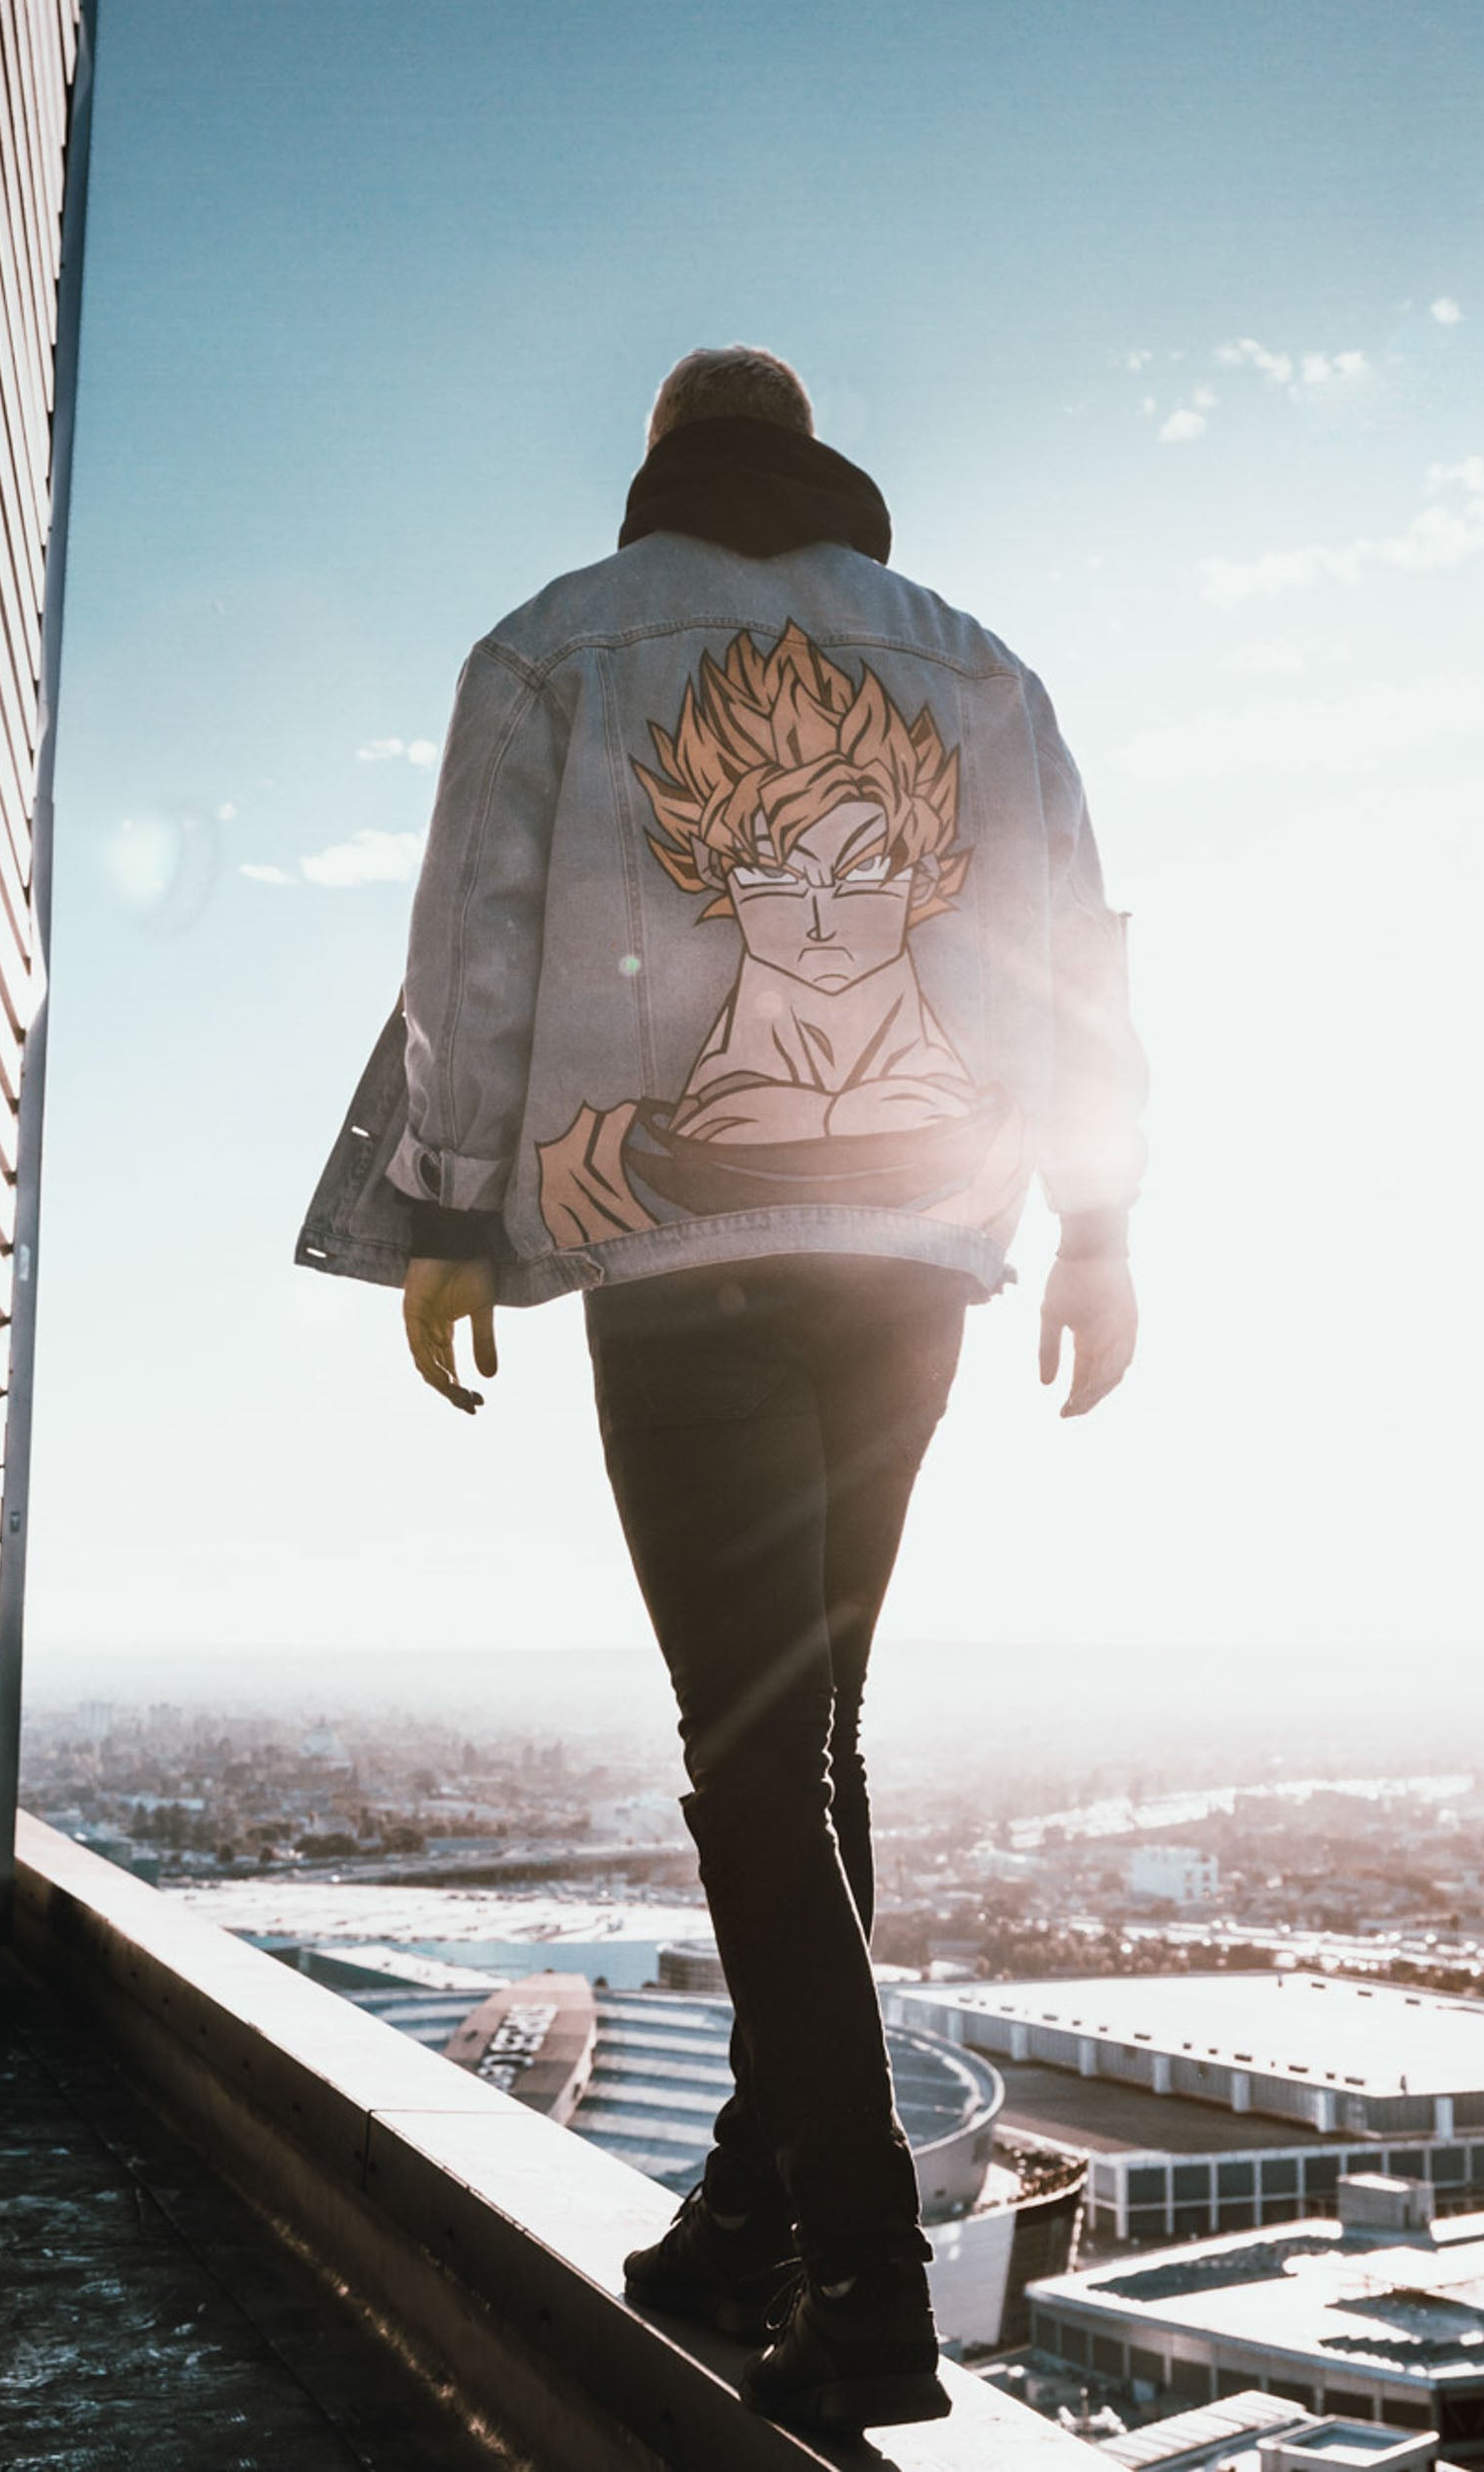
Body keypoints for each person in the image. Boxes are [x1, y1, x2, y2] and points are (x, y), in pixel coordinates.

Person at [297, 345, 1147, 2431]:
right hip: (916, 1262)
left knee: (747, 1745)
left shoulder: (554, 647)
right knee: (817, 1721)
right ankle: (748, 2215)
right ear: (821, 464)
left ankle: (862, 2280)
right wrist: (1102, 1224)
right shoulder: (982, 669)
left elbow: (473, 963)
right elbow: (1073, 958)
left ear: (659, 466)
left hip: (675, 1263)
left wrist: (441, 1216)